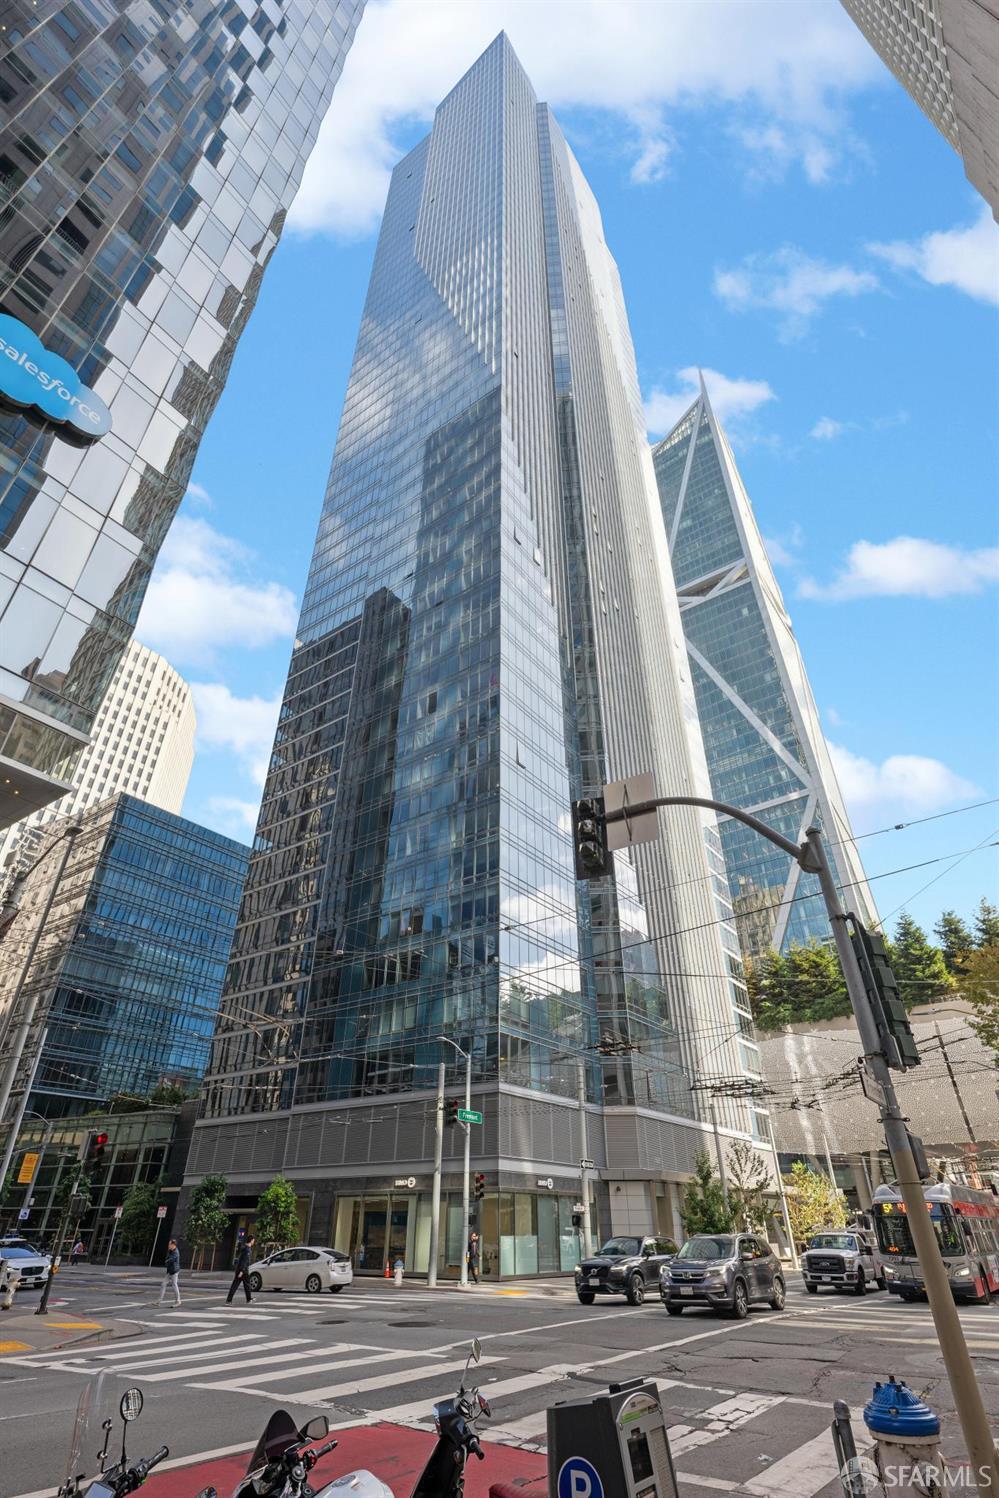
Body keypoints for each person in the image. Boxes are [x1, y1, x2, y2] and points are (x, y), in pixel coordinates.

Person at [227, 1233, 255, 1304]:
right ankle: (248, 1299)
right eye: (253, 1240)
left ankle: (229, 1300)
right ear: (251, 1240)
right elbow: (244, 1261)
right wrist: (242, 1271)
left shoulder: (244, 1248)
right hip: (243, 1270)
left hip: (240, 1269)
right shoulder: (247, 1250)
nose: (253, 1242)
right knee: (245, 1285)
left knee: (240, 1285)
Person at [159, 1238, 181, 1306]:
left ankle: (178, 1301)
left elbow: (171, 1259)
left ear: (173, 1245)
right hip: (169, 1271)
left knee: (174, 1285)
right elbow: (168, 1259)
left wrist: (166, 1261)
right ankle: (159, 1300)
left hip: (174, 1271)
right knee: (163, 1284)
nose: (168, 1245)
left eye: (169, 1244)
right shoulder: (170, 1250)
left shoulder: (175, 1252)